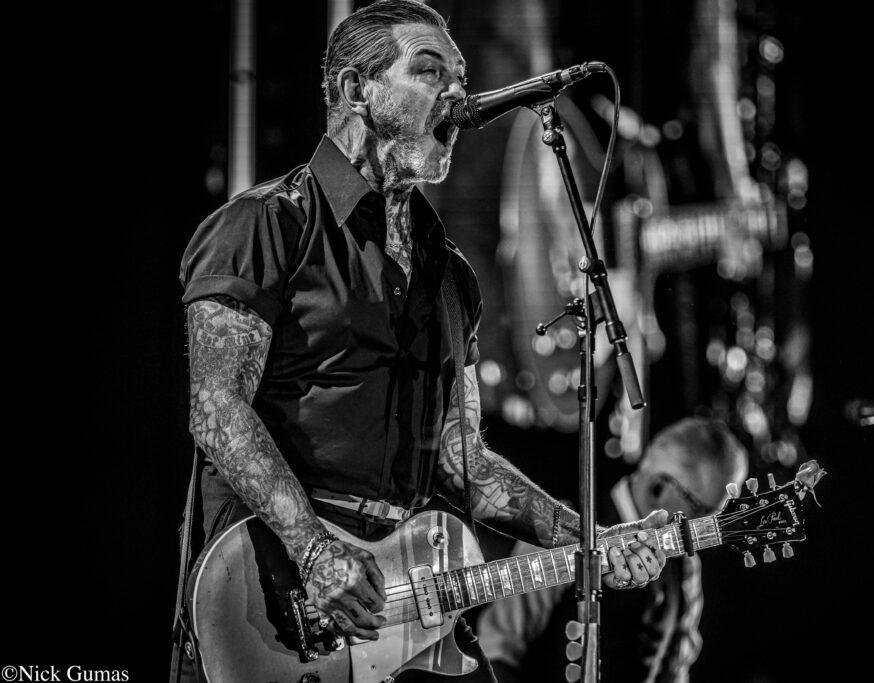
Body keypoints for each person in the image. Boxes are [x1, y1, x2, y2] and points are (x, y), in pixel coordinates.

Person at [170, 2, 667, 681]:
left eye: (461, 76)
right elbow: (217, 408)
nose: (458, 93)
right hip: (276, 590)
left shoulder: (451, 278)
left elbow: (465, 465)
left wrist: (594, 539)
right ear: (356, 90)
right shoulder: (263, 226)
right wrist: (314, 550)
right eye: (430, 71)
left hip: (397, 602)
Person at [475, 417, 749, 683]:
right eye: (701, 510)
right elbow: (499, 644)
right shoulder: (561, 529)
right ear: (659, 487)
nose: (703, 525)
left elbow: (677, 666)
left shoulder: (687, 566)